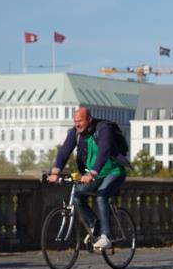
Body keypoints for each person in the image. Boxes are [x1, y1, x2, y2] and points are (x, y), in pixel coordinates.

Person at [49, 107, 129, 250]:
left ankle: (106, 237)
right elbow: (65, 151)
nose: (77, 124)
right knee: (77, 197)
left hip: (113, 172)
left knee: (101, 196)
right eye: (75, 121)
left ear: (89, 120)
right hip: (93, 175)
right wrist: (55, 172)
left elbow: (104, 151)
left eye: (80, 121)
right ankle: (95, 225)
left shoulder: (103, 129)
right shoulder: (75, 133)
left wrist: (92, 173)